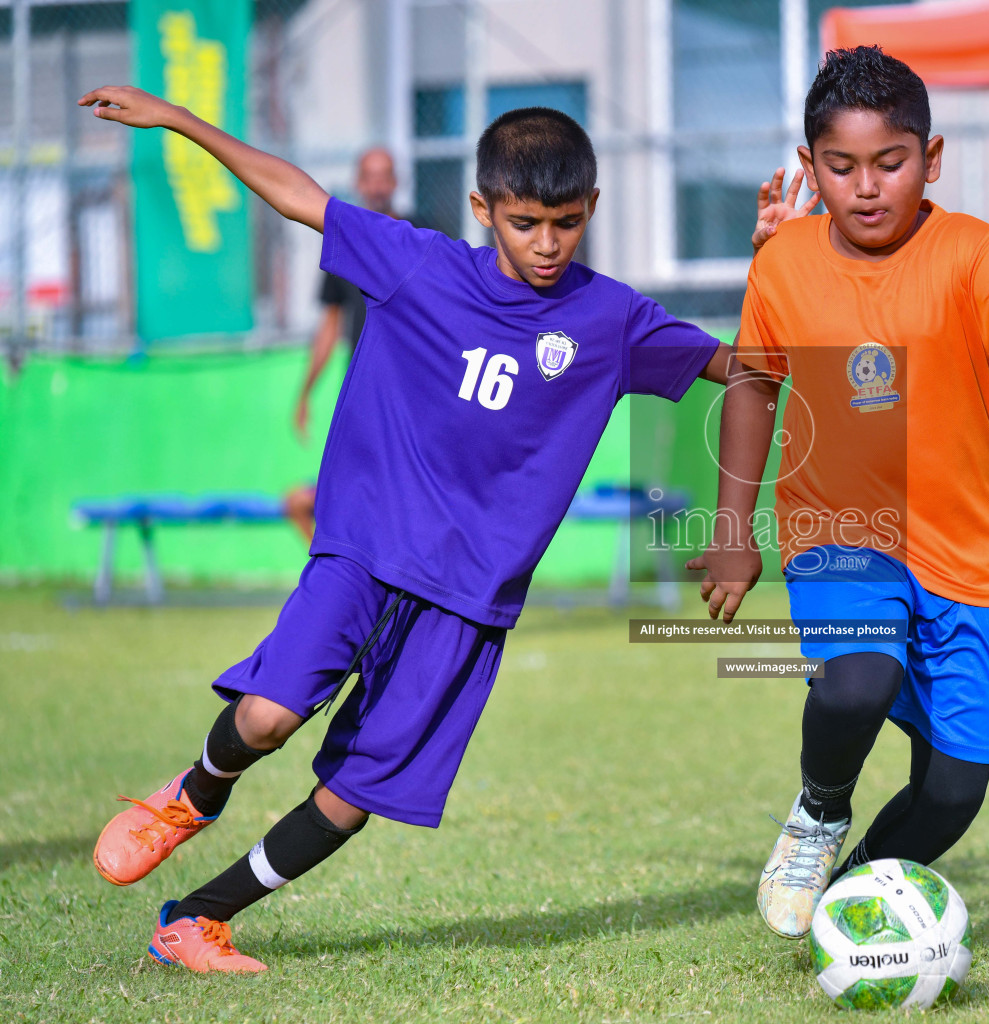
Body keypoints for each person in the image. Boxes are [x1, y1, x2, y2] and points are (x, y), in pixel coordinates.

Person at [80, 84, 730, 972]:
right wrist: (185, 123)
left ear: (592, 210)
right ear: (483, 208)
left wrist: (775, 259)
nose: (547, 244)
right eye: (527, 222)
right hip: (367, 549)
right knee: (267, 719)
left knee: (355, 793)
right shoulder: (416, 264)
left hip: (469, 596)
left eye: (567, 223)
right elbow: (298, 194)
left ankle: (195, 918)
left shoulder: (610, 319)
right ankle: (193, 795)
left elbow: (739, 364)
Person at [687, 45, 989, 940]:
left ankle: (856, 896)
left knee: (953, 791)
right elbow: (754, 385)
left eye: (891, 162)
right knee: (854, 684)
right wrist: (734, 528)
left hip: (963, 556)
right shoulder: (784, 262)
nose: (867, 186)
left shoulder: (969, 251)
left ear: (933, 159)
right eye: (840, 167)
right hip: (838, 531)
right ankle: (819, 812)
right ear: (810, 169)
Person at [286, 148, 400, 540]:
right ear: (360, 184)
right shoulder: (347, 245)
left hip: (411, 391)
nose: (379, 185)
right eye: (371, 176)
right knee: (316, 502)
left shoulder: (422, 238)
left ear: (396, 182)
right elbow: (330, 326)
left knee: (395, 499)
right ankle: (340, 584)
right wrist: (305, 392)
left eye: (386, 175)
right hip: (364, 393)